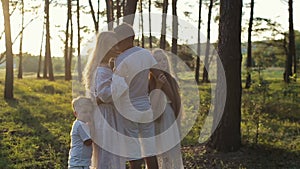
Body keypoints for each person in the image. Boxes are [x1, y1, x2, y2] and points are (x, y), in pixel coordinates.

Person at [113, 23, 158, 169]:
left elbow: (118, 86)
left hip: (128, 109)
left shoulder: (120, 59)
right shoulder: (145, 54)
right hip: (145, 107)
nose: (116, 43)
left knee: (133, 151)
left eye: (117, 39)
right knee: (150, 149)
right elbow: (158, 75)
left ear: (126, 39)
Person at [82, 31, 126, 169]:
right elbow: (105, 95)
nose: (117, 49)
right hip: (106, 117)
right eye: (113, 46)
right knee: (108, 154)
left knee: (109, 153)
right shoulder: (102, 70)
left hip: (105, 114)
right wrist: (119, 78)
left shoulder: (103, 67)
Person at [149, 49, 184, 169]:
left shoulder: (172, 80)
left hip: (170, 117)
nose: (162, 62)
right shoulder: (150, 82)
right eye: (158, 60)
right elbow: (152, 105)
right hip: (158, 119)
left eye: (164, 59)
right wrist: (159, 85)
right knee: (161, 151)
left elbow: (176, 102)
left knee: (172, 151)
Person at [68, 96, 94, 169]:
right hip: (79, 163)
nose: (88, 114)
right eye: (84, 112)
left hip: (82, 162)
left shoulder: (83, 125)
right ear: (76, 113)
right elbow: (88, 142)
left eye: (90, 112)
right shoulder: (80, 125)